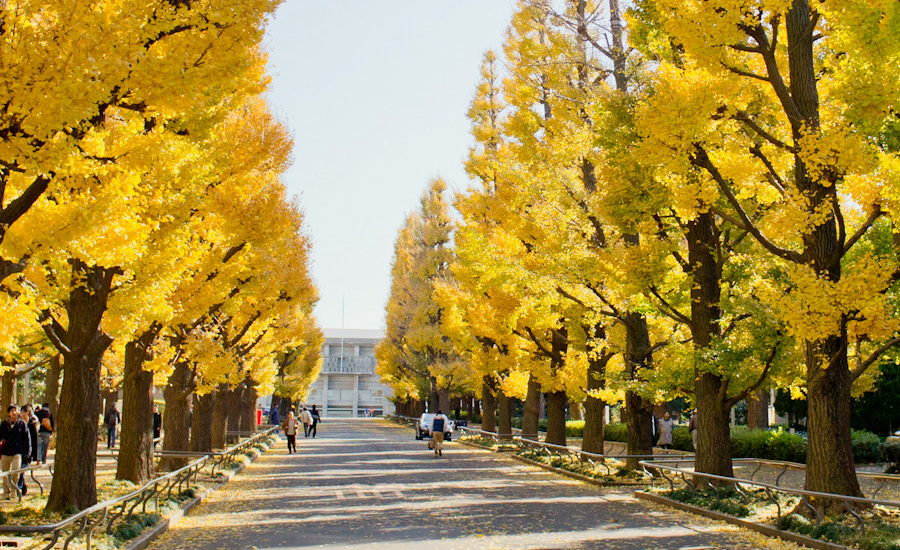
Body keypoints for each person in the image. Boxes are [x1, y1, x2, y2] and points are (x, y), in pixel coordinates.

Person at [0, 405, 30, 499]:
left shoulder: (22, 424)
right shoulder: (4, 424)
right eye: (12, 411)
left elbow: (27, 439)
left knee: (15, 473)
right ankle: (6, 492)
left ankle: (14, 491)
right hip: (5, 453)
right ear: (9, 413)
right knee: (5, 474)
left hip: (17, 452)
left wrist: (27, 453)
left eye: (15, 410)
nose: (14, 412)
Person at [18, 405, 38, 495]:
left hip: (27, 452)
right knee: (19, 471)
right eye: (21, 411)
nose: (22, 414)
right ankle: (22, 486)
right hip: (18, 451)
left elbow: (34, 441)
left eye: (24, 412)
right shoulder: (18, 424)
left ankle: (20, 488)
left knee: (22, 470)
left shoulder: (31, 425)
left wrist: (35, 456)